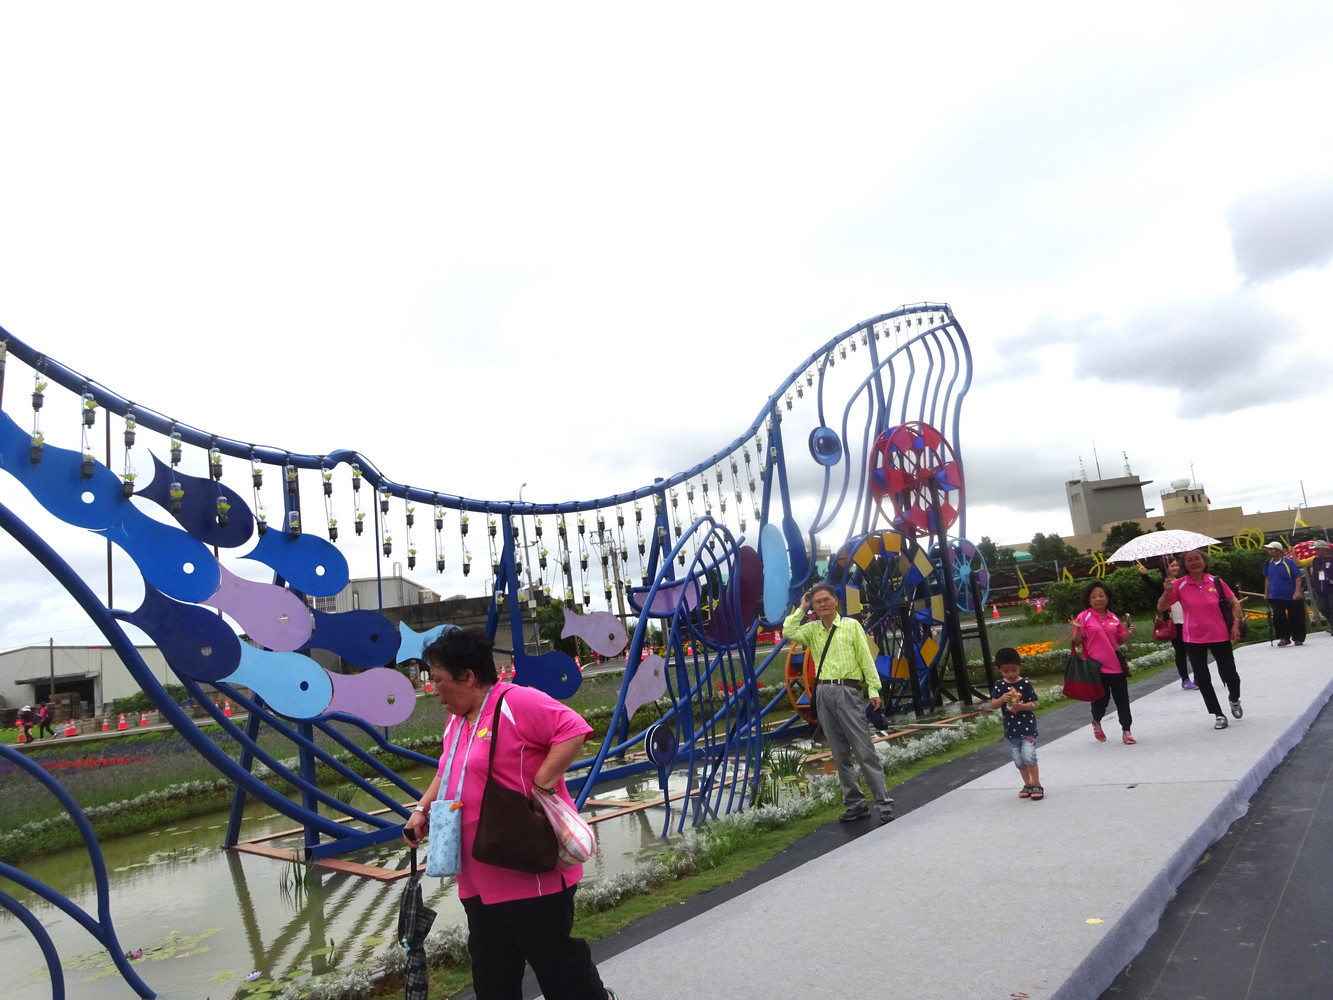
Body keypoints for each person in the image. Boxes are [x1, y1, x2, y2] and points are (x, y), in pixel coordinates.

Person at [401, 628, 616, 1000]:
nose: (432, 689)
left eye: (437, 679)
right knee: (492, 973)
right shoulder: (456, 720)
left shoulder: (516, 702)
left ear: (468, 676)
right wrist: (421, 809)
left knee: (557, 966)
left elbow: (572, 730)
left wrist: (541, 785)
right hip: (477, 871)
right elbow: (445, 771)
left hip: (526, 864)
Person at [783, 583, 894, 824]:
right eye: (817, 602)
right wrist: (801, 607)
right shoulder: (812, 630)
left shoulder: (851, 626)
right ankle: (855, 803)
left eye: (826, 599)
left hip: (847, 691)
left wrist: (873, 690)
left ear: (835, 601)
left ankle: (884, 803)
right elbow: (788, 631)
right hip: (823, 692)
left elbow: (865, 659)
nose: (822, 604)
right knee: (839, 752)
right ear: (813, 606)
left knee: (864, 750)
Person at [1158, 548, 1244, 730]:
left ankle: (1234, 698)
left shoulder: (1216, 581)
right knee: (1202, 678)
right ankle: (1217, 714)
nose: (1194, 562)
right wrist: (1166, 592)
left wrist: (1236, 624)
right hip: (1193, 638)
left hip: (1220, 635)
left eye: (1197, 558)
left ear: (1204, 561)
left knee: (1230, 673)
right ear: (1184, 565)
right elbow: (1162, 607)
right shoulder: (1179, 584)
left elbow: (1235, 603)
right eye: (1189, 560)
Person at [1070, 581, 1136, 744]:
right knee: (1101, 701)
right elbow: (1076, 642)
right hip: (1095, 668)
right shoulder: (1084, 617)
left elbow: (1120, 640)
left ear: (1107, 598)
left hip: (1116, 666)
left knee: (1122, 700)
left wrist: (1128, 633)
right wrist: (1077, 628)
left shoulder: (1113, 617)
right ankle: (1096, 721)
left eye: (1101, 595)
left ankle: (1126, 731)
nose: (1098, 599)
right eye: (1093, 597)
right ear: (1088, 600)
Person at [988, 647, 1042, 799]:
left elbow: (1034, 704)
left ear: (1020, 666)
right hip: (1011, 729)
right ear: (999, 669)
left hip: (1027, 726)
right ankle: (1028, 784)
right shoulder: (999, 685)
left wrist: (1023, 706)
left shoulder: (1025, 683)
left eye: (1014, 670)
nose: (1010, 674)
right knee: (1018, 760)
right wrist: (1002, 699)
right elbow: (993, 705)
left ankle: (1036, 784)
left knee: (1029, 755)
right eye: (1006, 671)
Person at [1138, 557, 1196, 690]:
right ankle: (1185, 679)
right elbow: (1151, 585)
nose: (1175, 568)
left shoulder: (1182, 581)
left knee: (1193, 649)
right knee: (1180, 651)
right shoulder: (1162, 583)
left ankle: (1198, 676)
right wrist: (1144, 575)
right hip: (1173, 621)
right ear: (1165, 568)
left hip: (1187, 619)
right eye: (1172, 566)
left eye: (1176, 565)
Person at [1262, 541, 1306, 646]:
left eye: (1271, 549)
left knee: (1296, 616)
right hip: (1275, 595)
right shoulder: (1268, 563)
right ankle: (1284, 637)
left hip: (1290, 594)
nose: (1269, 551)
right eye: (1268, 549)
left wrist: (1297, 591)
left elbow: (1297, 577)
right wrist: (1266, 593)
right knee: (1278, 616)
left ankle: (1298, 637)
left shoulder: (1288, 562)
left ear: (1278, 551)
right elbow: (1267, 578)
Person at [1309, 540, 1333, 636]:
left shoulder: (1331, 559)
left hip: (1330, 587)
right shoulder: (1315, 560)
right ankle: (1331, 623)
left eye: (1318, 549)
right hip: (1319, 589)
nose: (1316, 551)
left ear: (1324, 549)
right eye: (1315, 550)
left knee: (1332, 607)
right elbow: (1299, 563)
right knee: (1322, 608)